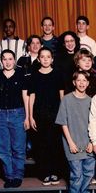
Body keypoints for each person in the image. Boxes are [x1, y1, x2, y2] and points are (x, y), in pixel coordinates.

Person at [0, 49, 29, 188]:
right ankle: (9, 176)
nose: (8, 62)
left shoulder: (21, 75)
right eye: (5, 59)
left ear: (14, 60)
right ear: (1, 60)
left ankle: (17, 176)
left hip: (18, 114)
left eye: (10, 59)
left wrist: (28, 116)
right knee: (2, 148)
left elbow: (25, 97)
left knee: (18, 147)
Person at [55, 71, 96, 193]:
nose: (82, 83)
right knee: (76, 174)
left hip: (88, 144)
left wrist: (92, 142)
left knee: (88, 174)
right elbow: (63, 123)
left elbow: (94, 124)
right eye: (79, 80)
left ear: (88, 83)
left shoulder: (92, 101)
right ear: (74, 82)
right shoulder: (66, 100)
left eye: (85, 80)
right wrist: (70, 143)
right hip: (72, 144)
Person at [29, 47, 64, 185]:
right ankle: (45, 173)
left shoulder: (57, 74)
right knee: (41, 145)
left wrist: (63, 114)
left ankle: (55, 172)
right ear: (38, 59)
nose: (45, 59)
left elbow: (62, 96)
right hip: (39, 114)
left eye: (48, 56)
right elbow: (32, 96)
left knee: (55, 144)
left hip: (55, 114)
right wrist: (31, 116)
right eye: (42, 57)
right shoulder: (34, 75)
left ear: (52, 59)